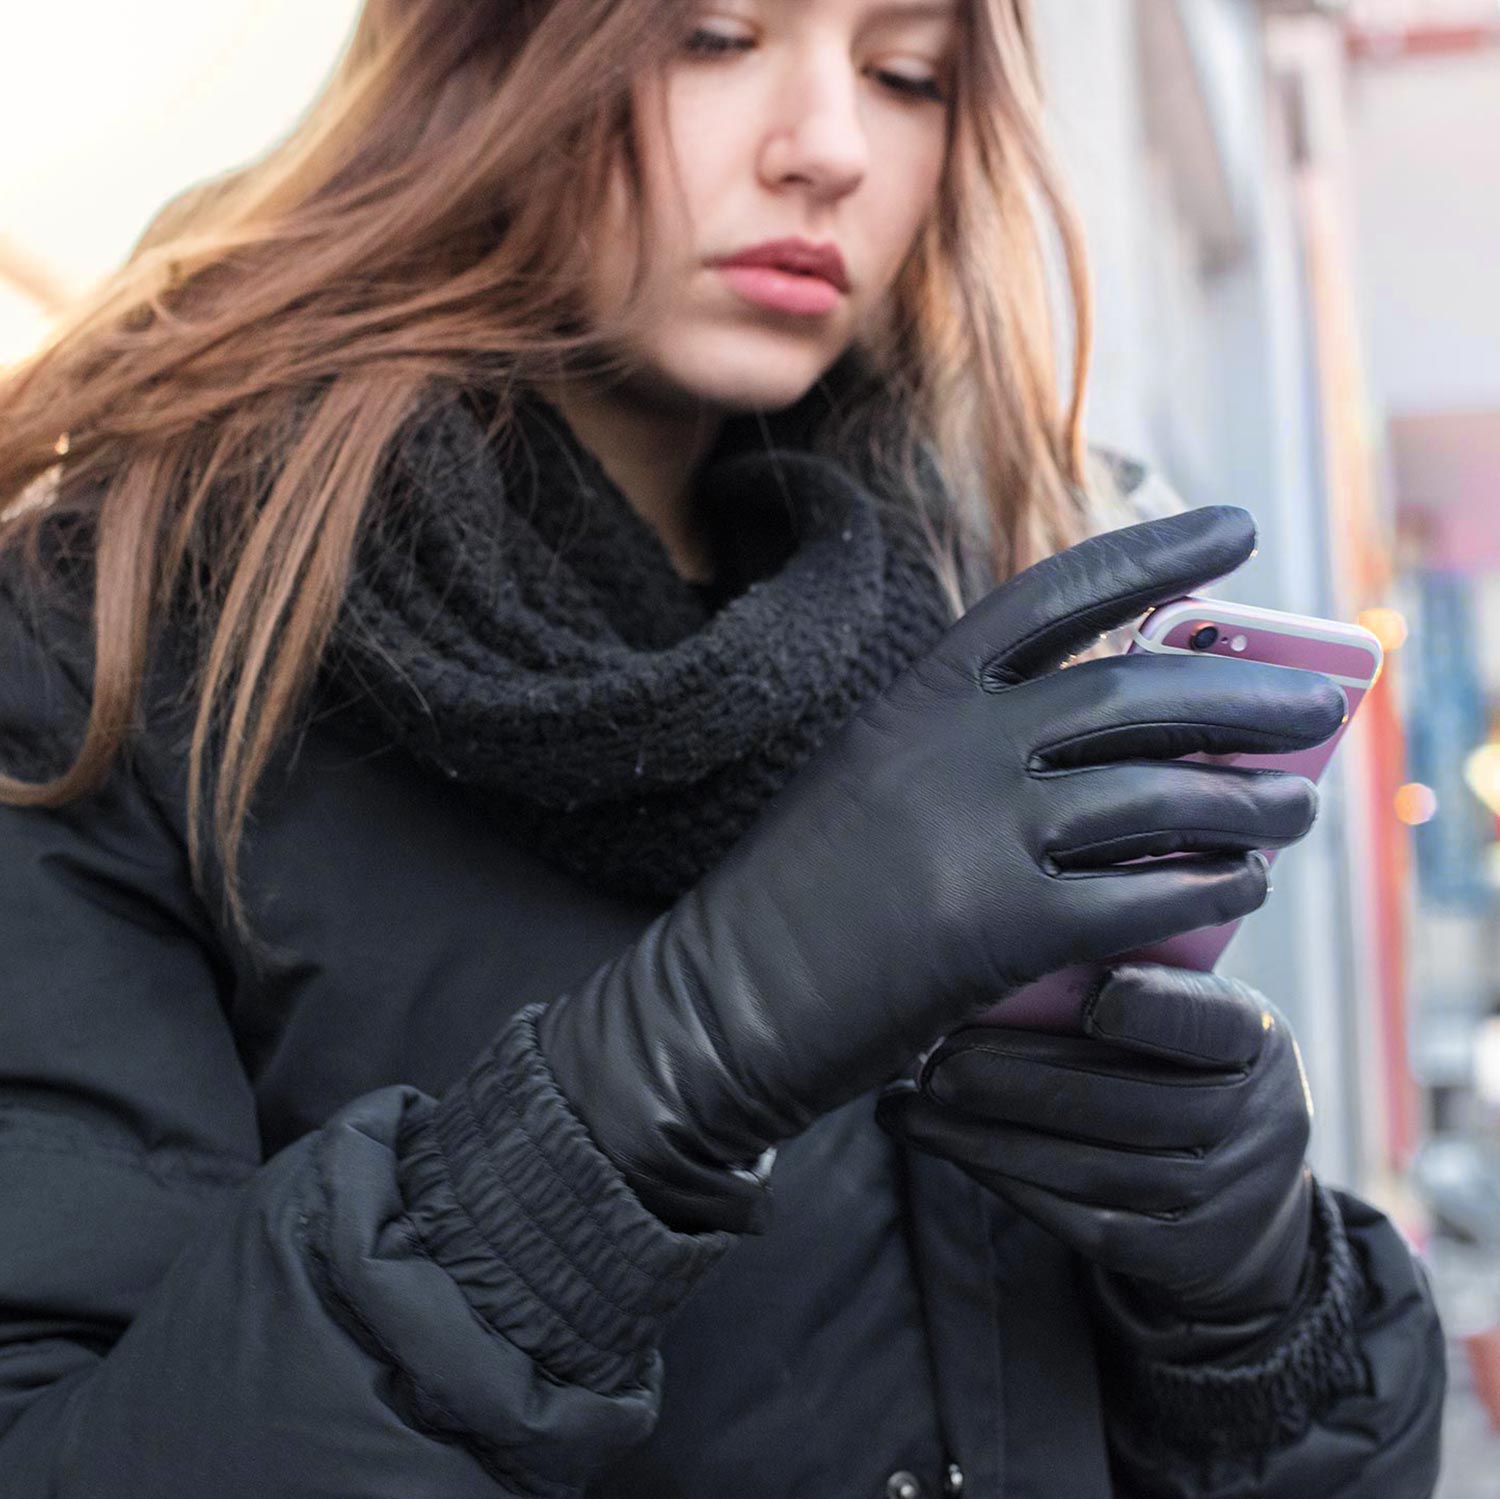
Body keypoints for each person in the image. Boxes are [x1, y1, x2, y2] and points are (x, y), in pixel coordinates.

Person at [0, 1, 1444, 1494]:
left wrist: (1250, 1304)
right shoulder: (106, 637)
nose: (828, 148)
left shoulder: (985, 590)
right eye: (710, 36)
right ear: (475, 53)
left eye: (906, 78)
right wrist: (656, 1082)